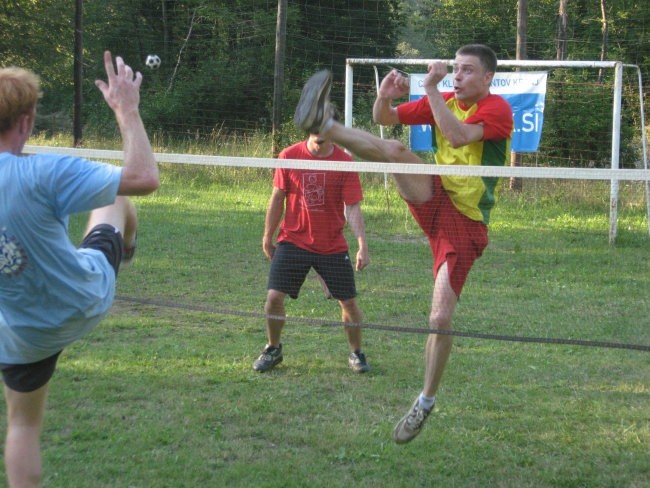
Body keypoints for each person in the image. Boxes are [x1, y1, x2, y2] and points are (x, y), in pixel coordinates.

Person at [293, 44, 513, 443]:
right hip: (437, 196)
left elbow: (458, 136)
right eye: (456, 70)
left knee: (439, 319)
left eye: (467, 71)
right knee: (393, 151)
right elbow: (385, 119)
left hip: (466, 222)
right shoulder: (442, 99)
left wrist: (429, 88)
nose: (458, 77)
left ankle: (425, 402)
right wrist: (384, 96)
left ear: (487, 79)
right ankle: (323, 125)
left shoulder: (497, 109)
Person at [0, 51, 159, 487]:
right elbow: (143, 176)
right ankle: (125, 248)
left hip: (20, 335)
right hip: (81, 300)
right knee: (115, 197)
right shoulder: (43, 171)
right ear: (27, 121)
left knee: (22, 426)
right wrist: (127, 110)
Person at [254, 130, 371, 374]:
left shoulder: (344, 163)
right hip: (294, 240)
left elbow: (352, 207)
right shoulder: (289, 156)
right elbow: (277, 198)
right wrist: (267, 236)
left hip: (331, 244)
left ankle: (356, 353)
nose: (320, 133)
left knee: (348, 302)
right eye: (315, 126)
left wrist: (362, 244)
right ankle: (273, 348)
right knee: (273, 298)